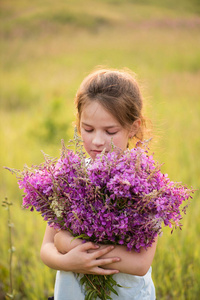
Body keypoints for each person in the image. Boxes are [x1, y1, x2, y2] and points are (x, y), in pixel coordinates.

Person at [40, 68, 158, 300]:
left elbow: (141, 263)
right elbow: (47, 247)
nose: (97, 141)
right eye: (88, 129)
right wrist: (67, 260)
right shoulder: (69, 175)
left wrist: (69, 243)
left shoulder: (145, 184)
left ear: (133, 127)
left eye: (110, 131)